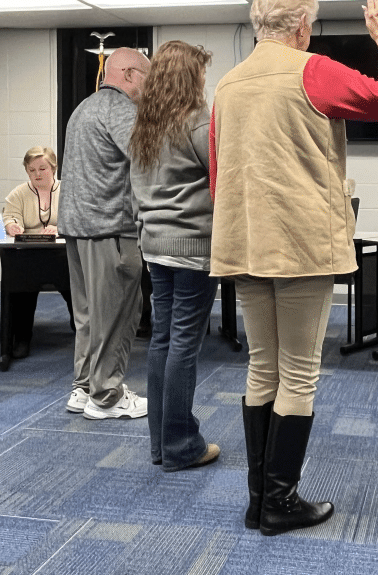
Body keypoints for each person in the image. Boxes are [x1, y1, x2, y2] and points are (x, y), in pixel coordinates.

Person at [212, 0, 378, 536]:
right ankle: (280, 503)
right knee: (299, 374)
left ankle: (259, 501)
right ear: (302, 26)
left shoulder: (228, 84)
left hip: (243, 240)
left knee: (262, 366)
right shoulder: (312, 69)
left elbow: (217, 175)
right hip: (299, 243)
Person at [130, 40, 219, 472]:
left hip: (155, 247)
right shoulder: (198, 121)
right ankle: (182, 444)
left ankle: (161, 445)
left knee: (162, 341)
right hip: (193, 248)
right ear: (190, 76)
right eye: (201, 72)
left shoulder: (145, 124)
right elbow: (221, 183)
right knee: (184, 344)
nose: (205, 79)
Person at [58, 47, 150, 420]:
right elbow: (149, 159)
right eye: (147, 76)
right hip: (111, 230)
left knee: (89, 317)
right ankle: (106, 396)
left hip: (78, 231)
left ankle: (83, 388)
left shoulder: (84, 107)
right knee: (117, 314)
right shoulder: (122, 110)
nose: (151, 85)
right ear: (129, 74)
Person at [1, 146, 74, 360]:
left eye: (42, 168)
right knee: (22, 284)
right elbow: (9, 217)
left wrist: (60, 229)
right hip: (29, 256)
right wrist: (12, 225)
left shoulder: (69, 190)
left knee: (75, 283)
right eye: (31, 170)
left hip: (62, 256)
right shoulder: (18, 194)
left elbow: (80, 219)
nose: (37, 174)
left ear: (54, 168)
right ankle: (22, 337)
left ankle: (80, 328)